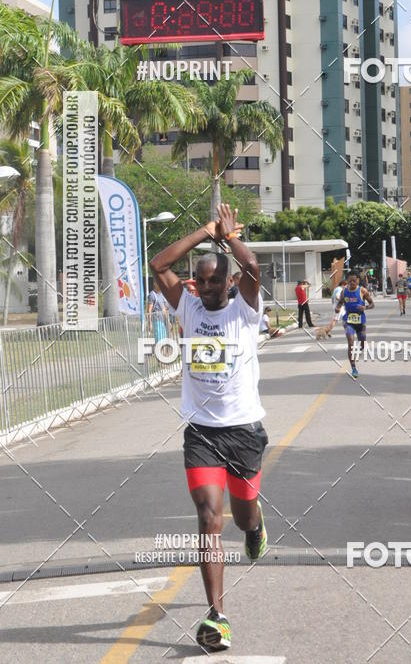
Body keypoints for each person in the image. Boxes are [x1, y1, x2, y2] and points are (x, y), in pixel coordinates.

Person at [150, 203, 268, 652]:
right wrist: (205, 230)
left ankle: (255, 529)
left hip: (243, 432)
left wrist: (229, 235)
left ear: (230, 282)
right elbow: (160, 264)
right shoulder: (188, 308)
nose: (207, 286)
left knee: (242, 517)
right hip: (201, 432)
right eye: (201, 280)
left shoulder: (245, 311)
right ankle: (218, 616)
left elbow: (253, 264)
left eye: (217, 279)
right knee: (207, 518)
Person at [336, 271, 375, 379]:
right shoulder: (344, 291)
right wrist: (338, 307)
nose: (352, 282)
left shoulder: (362, 290)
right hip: (348, 321)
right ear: (347, 280)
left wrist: (365, 307)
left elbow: (372, 304)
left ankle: (362, 345)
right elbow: (340, 302)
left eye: (354, 280)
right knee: (351, 343)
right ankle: (353, 368)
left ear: (358, 280)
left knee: (362, 341)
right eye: (350, 280)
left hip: (360, 321)